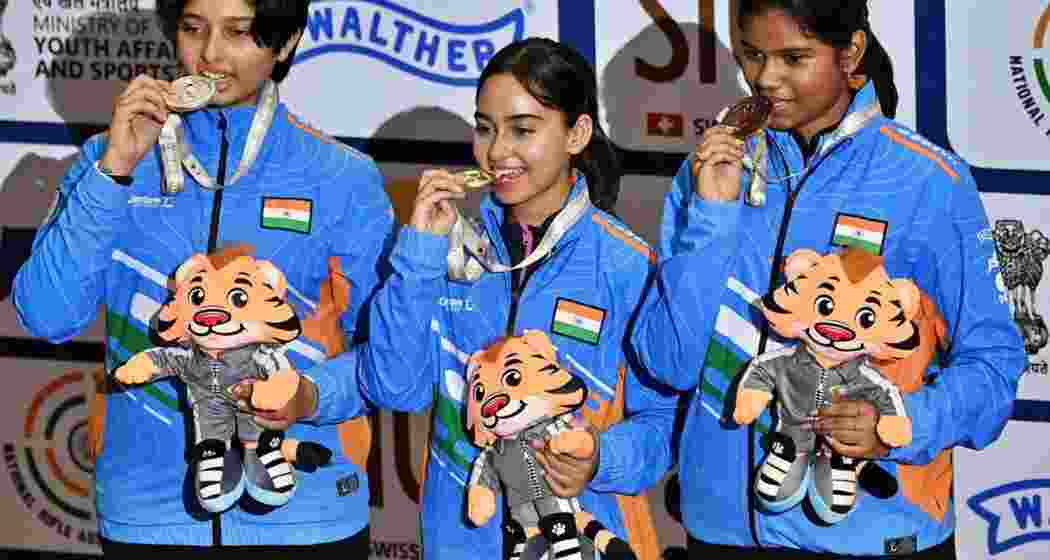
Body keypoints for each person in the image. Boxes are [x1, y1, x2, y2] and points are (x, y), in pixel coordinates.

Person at [630, 0, 1026, 558]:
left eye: (794, 57)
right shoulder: (711, 170)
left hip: (871, 535)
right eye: (752, 55)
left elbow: (995, 365)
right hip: (720, 534)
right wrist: (712, 218)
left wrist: (900, 421)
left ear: (852, 52)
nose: (766, 78)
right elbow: (669, 361)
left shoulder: (926, 181)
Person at [257, 37, 678, 560]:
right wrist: (418, 254)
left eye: (523, 129)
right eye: (485, 128)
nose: (498, 150)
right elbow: (393, 385)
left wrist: (600, 458)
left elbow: (661, 430)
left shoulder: (629, 266)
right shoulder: (447, 254)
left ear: (577, 133)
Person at [13, 0, 393, 553]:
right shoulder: (108, 160)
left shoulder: (340, 177)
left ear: (284, 44)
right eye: (193, 29)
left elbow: (388, 360)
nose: (210, 54)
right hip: (147, 518)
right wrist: (113, 171)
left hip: (306, 519)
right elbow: (47, 316)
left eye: (238, 33)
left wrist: (310, 395)